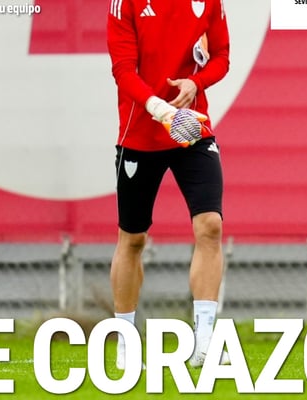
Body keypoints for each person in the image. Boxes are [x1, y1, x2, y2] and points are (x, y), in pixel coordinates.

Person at [106, 0, 230, 369]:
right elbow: (123, 69)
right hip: (140, 134)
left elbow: (221, 56)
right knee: (132, 239)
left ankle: (204, 343)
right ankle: (126, 344)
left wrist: (196, 83)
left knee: (210, 226)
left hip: (191, 128)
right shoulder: (125, 3)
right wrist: (159, 109)